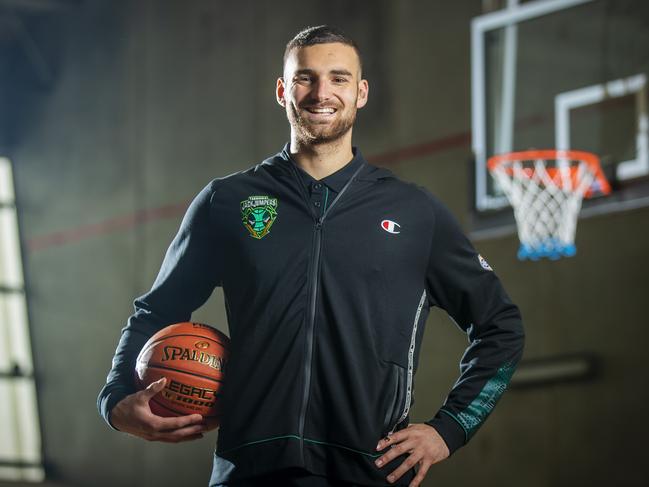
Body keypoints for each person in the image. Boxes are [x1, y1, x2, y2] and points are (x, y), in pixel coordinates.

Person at [98, 25, 524, 487]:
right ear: (283, 90)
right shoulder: (227, 201)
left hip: (369, 470)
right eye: (306, 78)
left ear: (361, 93)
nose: (323, 92)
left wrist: (450, 429)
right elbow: (156, 311)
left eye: (339, 78)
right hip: (251, 469)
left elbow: (500, 327)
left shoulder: (415, 212)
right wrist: (117, 399)